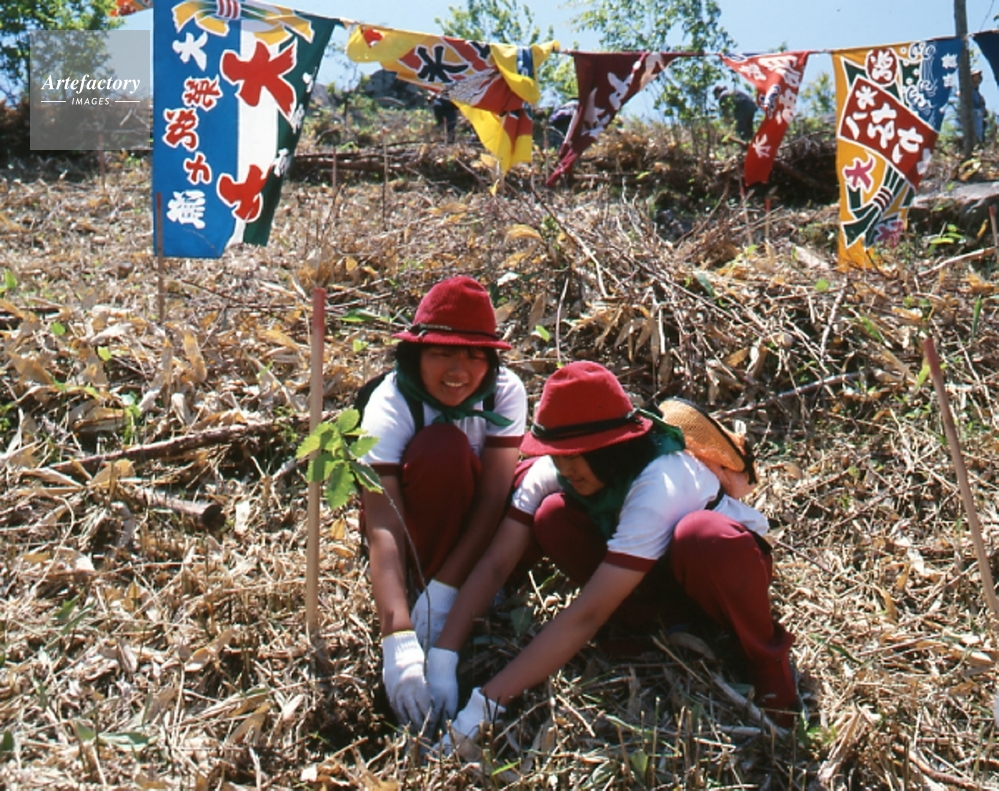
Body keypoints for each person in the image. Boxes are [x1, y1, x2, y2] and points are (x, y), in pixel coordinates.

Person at [426, 361, 798, 749]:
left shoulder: (661, 482)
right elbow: (496, 562)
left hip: (720, 574)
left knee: (701, 537)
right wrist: (443, 656)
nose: (566, 468)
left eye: (576, 455)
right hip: (651, 576)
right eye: (557, 455)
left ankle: (765, 659)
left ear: (612, 446)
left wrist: (487, 703)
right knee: (552, 515)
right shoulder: (561, 470)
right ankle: (651, 626)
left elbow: (586, 614)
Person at [358, 275, 528, 728]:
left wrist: (446, 592)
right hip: (415, 523)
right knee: (442, 449)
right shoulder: (390, 404)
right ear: (415, 354)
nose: (459, 371)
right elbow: (382, 521)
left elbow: (493, 497)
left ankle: (462, 596)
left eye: (474, 356)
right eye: (442, 353)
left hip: (475, 520)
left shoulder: (505, 391)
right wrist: (397, 635)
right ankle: (423, 591)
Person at [971, 70, 987, 146]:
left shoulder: (978, 94)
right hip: (972, 115)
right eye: (975, 77)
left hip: (979, 116)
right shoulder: (967, 91)